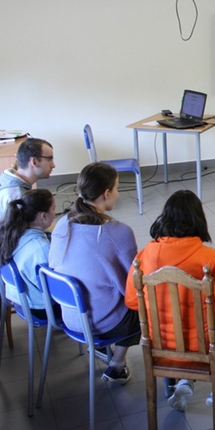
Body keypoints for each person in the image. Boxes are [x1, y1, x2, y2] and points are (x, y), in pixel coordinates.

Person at [124, 190, 215, 415]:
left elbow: (132, 302)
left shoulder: (144, 255)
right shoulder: (211, 259)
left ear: (165, 218)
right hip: (205, 346)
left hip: (159, 346)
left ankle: (184, 380)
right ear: (199, 220)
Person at [48, 162, 139, 384]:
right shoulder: (119, 232)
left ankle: (100, 349)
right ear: (106, 193)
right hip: (101, 322)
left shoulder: (62, 224)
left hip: (69, 316)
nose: (118, 194)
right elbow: (133, 283)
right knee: (141, 304)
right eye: (117, 189)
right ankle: (117, 365)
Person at [0, 188, 56, 317]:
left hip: (19, 299)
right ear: (43, 216)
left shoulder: (10, 235)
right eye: (53, 209)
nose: (55, 214)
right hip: (41, 308)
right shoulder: (41, 248)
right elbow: (54, 290)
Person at [0, 138, 56, 233]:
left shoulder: (6, 178)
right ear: (34, 162)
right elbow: (22, 235)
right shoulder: (17, 197)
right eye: (49, 159)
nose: (53, 165)